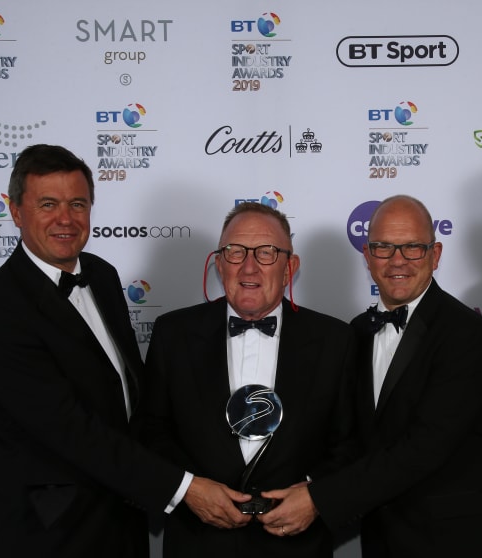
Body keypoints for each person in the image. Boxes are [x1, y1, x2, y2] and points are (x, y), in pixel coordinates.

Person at [0, 144, 250, 558]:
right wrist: (184, 487)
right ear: (16, 212)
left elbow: (131, 397)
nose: (65, 219)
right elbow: (71, 430)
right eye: (48, 204)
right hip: (54, 532)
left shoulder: (101, 275)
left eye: (77, 204)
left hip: (125, 519)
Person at [257, 195, 482, 557]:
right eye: (383, 247)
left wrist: (319, 498)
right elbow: (351, 435)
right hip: (383, 538)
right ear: (367, 255)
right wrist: (306, 482)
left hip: (456, 540)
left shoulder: (465, 334)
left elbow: (424, 447)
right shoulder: (357, 331)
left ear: (435, 254)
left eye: (412, 247)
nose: (398, 260)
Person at [140, 202, 358, 557]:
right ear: (219, 264)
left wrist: (316, 495)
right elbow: (150, 431)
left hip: (297, 546)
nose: (249, 266)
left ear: (290, 268)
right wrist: (188, 489)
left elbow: (350, 442)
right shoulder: (172, 334)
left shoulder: (336, 340)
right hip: (198, 542)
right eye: (235, 252)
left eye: (267, 252)